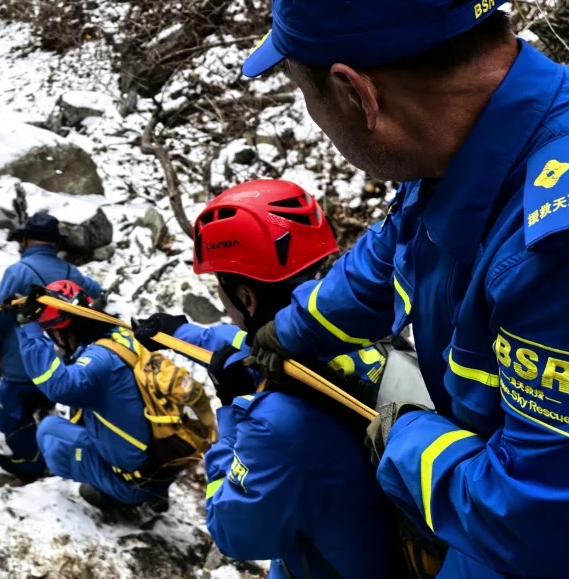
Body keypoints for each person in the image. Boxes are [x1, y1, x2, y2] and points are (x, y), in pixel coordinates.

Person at [240, 0, 569, 578]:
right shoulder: (463, 147)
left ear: (356, 94)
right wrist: (286, 334)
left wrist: (406, 438)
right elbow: (387, 259)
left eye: (306, 97)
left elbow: (543, 522)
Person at [133, 180, 392, 578]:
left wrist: (230, 416)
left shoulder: (275, 426)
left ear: (246, 298)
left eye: (220, 289)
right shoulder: (351, 334)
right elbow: (244, 343)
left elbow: (231, 532)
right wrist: (177, 332)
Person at [14, 280, 176, 512]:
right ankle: (153, 492)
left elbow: (58, 386)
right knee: (89, 415)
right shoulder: (120, 336)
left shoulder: (99, 361)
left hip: (136, 480)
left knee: (50, 431)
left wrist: (28, 330)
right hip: (163, 460)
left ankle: (121, 496)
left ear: (59, 331)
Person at [0, 211, 104, 479]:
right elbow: (96, 290)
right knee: (48, 400)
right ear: (55, 243)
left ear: (26, 240)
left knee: (13, 418)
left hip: (21, 364)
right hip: (60, 362)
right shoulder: (70, 272)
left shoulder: (18, 272)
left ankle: (28, 463)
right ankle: (52, 446)